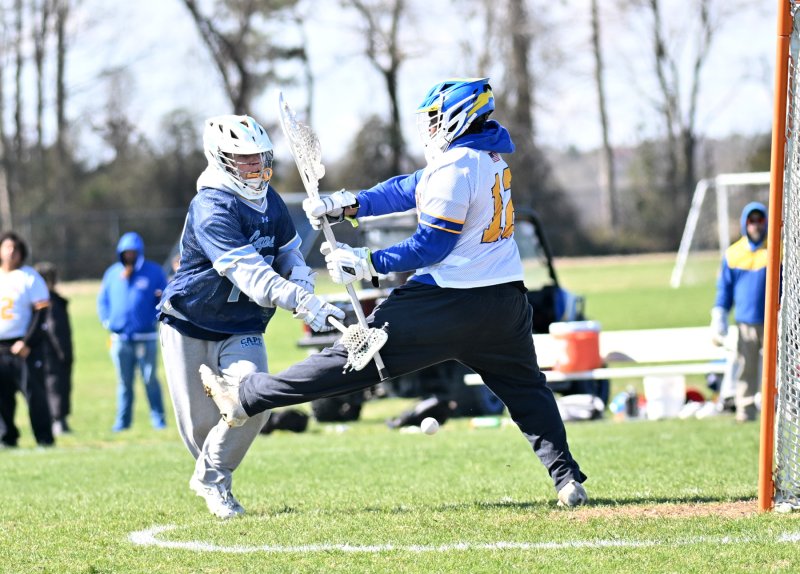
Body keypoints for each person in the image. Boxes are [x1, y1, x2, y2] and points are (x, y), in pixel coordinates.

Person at [201, 78, 588, 507]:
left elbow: (432, 245)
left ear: (458, 118)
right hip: (506, 303)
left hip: (446, 301)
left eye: (436, 118)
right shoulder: (489, 159)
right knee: (527, 392)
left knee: (352, 358)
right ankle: (566, 478)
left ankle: (245, 397)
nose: (429, 127)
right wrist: (346, 204)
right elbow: (408, 188)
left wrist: (367, 262)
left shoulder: (455, 165)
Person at [157, 114, 344, 519]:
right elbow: (252, 276)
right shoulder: (211, 205)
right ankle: (212, 477)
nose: (256, 166)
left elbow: (288, 250)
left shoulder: (269, 197)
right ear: (220, 158)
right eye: (244, 159)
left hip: (242, 324)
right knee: (201, 429)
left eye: (260, 157)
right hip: (189, 322)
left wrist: (300, 275)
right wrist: (299, 300)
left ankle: (213, 481)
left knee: (253, 402)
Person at [97, 231, 168, 432]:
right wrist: (107, 321)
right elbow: (102, 300)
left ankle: (158, 419)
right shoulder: (112, 273)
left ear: (139, 252)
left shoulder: (153, 272)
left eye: (132, 252)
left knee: (149, 379)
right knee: (124, 382)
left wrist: (155, 317)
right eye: (125, 252)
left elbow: (165, 299)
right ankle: (123, 422)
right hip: (120, 339)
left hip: (146, 337)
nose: (129, 256)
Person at [710, 201, 769, 423]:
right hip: (745, 322)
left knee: (777, 369)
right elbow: (724, 289)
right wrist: (719, 314)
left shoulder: (777, 249)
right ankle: (745, 409)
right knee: (746, 367)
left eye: (760, 220)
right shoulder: (734, 254)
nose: (755, 225)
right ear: (745, 223)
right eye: (751, 220)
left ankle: (778, 410)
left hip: (774, 322)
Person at [0, 231, 54, 447]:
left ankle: (44, 438)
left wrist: (28, 342)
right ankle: (6, 438)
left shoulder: (29, 277)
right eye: (7, 247)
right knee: (2, 398)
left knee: (35, 396)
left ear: (22, 252)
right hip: (1, 347)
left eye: (15, 248)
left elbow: (41, 313)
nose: (11, 252)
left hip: (23, 346)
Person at [34, 262, 74, 436]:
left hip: (44, 352)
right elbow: (54, 328)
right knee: (56, 386)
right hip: (52, 353)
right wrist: (63, 352)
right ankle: (58, 422)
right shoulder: (49, 301)